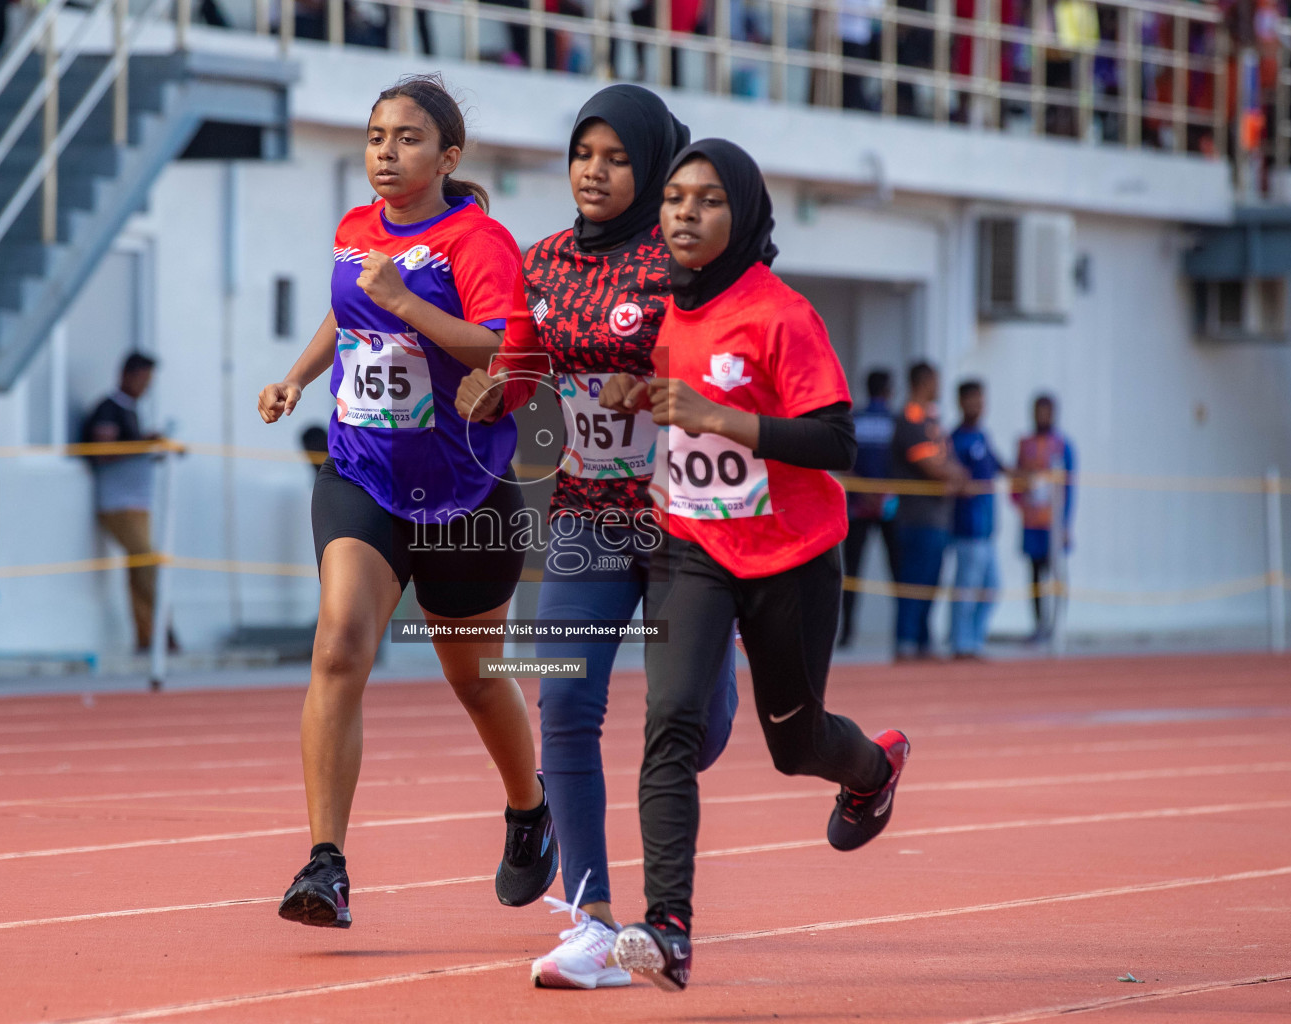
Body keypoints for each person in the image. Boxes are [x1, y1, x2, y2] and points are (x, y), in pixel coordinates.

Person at [595, 140, 909, 992]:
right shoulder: (662, 304)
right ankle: (668, 929)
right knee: (671, 723)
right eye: (674, 200)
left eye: (707, 201)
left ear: (743, 215)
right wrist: (636, 395)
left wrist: (718, 416)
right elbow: (665, 393)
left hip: (792, 559)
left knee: (795, 743)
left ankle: (873, 770)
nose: (684, 216)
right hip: (689, 547)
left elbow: (836, 440)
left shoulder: (781, 315)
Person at [255, 74, 557, 930]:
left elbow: (506, 347)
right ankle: (326, 865)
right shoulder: (356, 228)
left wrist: (406, 303)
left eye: (408, 138)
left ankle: (529, 809)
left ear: (447, 157)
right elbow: (346, 314)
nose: (386, 152)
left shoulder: (478, 240)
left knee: (474, 679)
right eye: (377, 135)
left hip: (467, 489)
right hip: (364, 472)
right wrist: (296, 377)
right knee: (340, 644)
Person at [455, 85, 738, 991]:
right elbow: (537, 407)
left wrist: (655, 382)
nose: (595, 171)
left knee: (696, 727)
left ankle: (718, 662)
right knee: (564, 707)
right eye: (584, 153)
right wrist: (503, 395)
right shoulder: (540, 264)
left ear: (651, 166)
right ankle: (590, 919)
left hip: (685, 523)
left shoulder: (687, 266)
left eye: (617, 158)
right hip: (584, 516)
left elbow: (734, 371)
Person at [83, 352, 173, 654]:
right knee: (146, 563)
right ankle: (165, 631)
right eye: (143, 380)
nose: (146, 387)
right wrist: (144, 445)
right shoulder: (109, 409)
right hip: (118, 503)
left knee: (139, 569)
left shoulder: (131, 410)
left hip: (137, 503)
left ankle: (147, 636)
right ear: (126, 375)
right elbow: (104, 452)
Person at [889, 360, 967, 660]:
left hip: (937, 517)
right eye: (935, 380)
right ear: (923, 382)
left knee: (931, 582)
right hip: (915, 517)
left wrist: (957, 473)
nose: (939, 387)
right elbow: (931, 465)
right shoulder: (910, 418)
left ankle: (922, 641)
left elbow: (949, 460)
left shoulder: (932, 420)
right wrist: (956, 475)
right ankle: (906, 642)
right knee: (913, 582)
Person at [839, 367, 900, 648]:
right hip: (889, 505)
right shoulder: (896, 420)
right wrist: (880, 494)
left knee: (852, 573)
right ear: (888, 391)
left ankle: (846, 634)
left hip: (858, 505)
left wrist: (866, 492)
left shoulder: (855, 419)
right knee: (898, 572)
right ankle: (904, 635)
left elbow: (843, 463)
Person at [948, 379, 1004, 659]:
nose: (978, 405)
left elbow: (999, 465)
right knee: (967, 588)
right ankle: (961, 643)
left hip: (987, 527)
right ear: (960, 402)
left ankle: (974, 639)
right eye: (972, 400)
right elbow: (955, 477)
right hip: (968, 527)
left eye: (981, 399)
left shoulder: (983, 436)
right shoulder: (956, 439)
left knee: (992, 587)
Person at [1012, 393, 1075, 641]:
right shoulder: (1025, 443)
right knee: (1035, 575)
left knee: (1057, 574)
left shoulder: (1062, 445)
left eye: (1047, 411)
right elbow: (1015, 480)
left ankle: (1057, 627)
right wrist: (1020, 503)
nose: (1042, 416)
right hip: (1032, 523)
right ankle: (1039, 625)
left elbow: (1070, 487)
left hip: (1054, 522)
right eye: (1038, 411)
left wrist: (1066, 523)